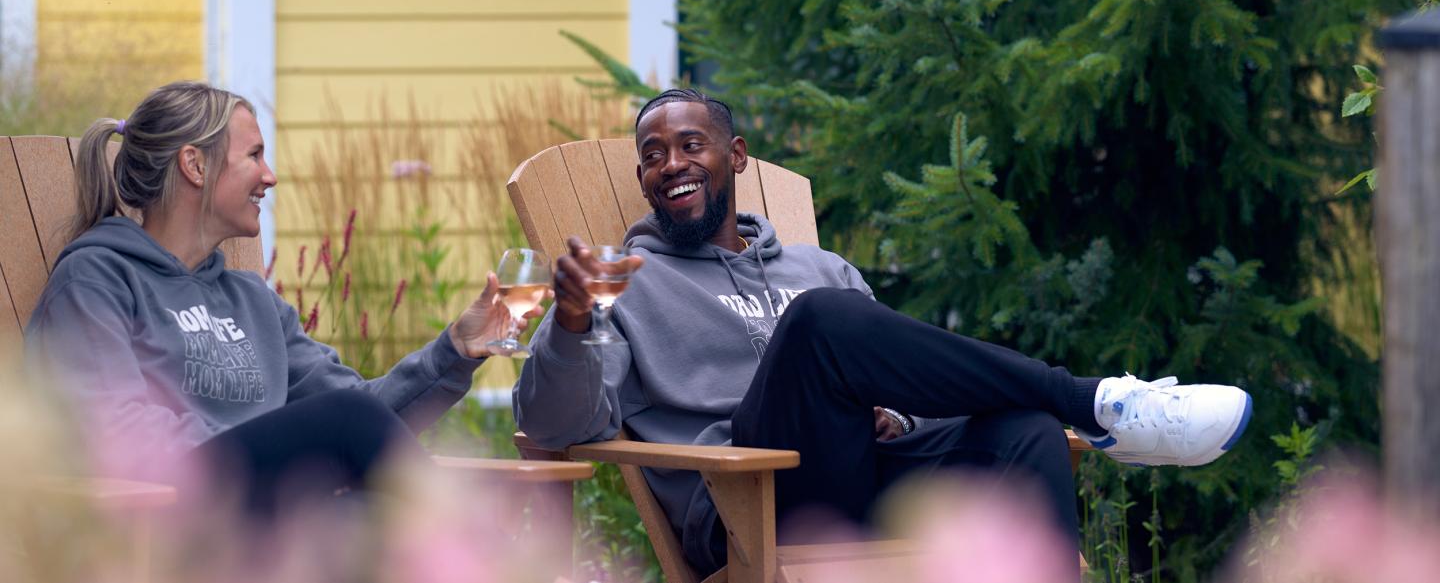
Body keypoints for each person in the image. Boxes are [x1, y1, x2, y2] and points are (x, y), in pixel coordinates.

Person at [514, 87, 1253, 576]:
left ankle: (1067, 408)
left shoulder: (818, 264)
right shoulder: (623, 287)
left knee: (1025, 433)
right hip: (749, 506)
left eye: (689, 144)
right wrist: (572, 321)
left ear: (734, 157)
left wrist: (895, 414)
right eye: (652, 154)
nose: (671, 163)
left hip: (863, 472)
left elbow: (919, 389)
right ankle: (1092, 401)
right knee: (818, 322)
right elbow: (552, 420)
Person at [26, 81, 541, 517]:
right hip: (167, 521)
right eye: (253, 155)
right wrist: (274, 445)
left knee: (361, 510)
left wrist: (456, 348)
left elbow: (369, 416)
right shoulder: (95, 280)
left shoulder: (250, 299)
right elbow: (109, 426)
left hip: (266, 519)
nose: (270, 176)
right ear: (194, 166)